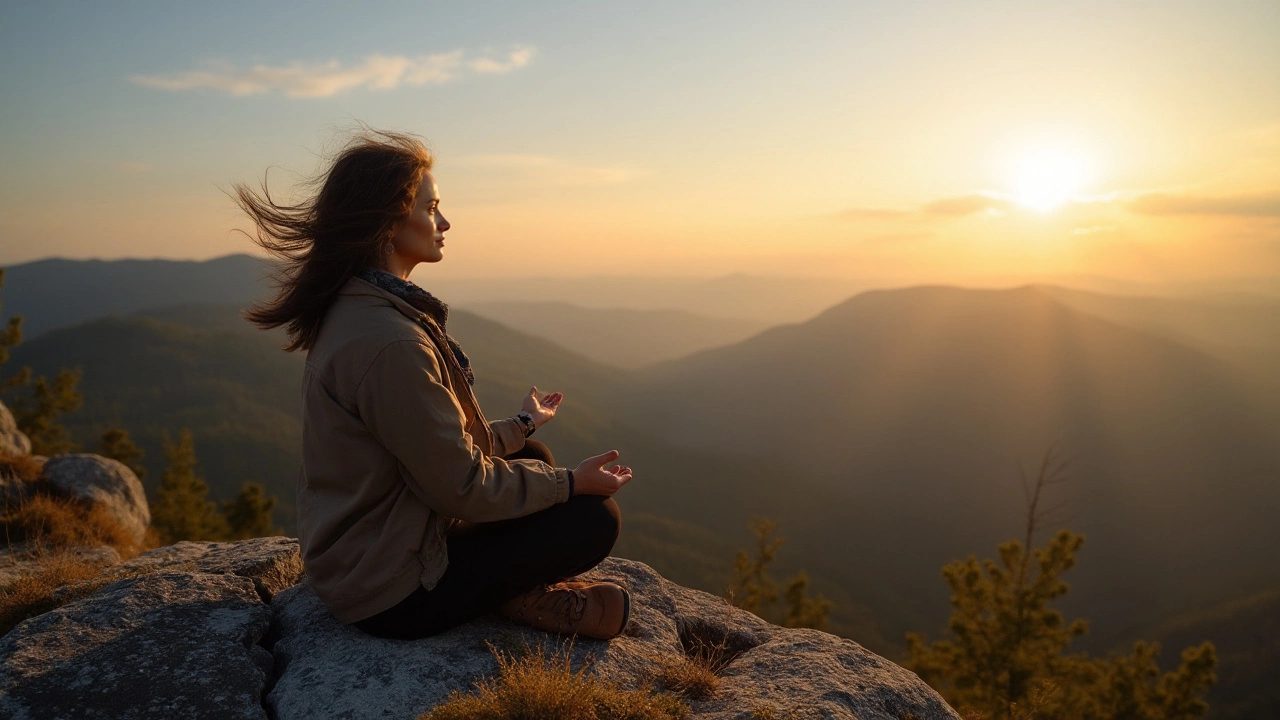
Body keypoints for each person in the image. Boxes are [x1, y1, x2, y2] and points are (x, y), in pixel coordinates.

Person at [235, 129, 634, 640]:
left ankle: (505, 582)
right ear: (388, 223)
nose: (444, 223)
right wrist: (574, 484)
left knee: (530, 452)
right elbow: (463, 485)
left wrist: (521, 425)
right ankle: (518, 597)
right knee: (594, 519)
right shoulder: (391, 343)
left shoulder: (359, 307)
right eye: (431, 208)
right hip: (388, 593)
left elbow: (430, 448)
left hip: (364, 553)